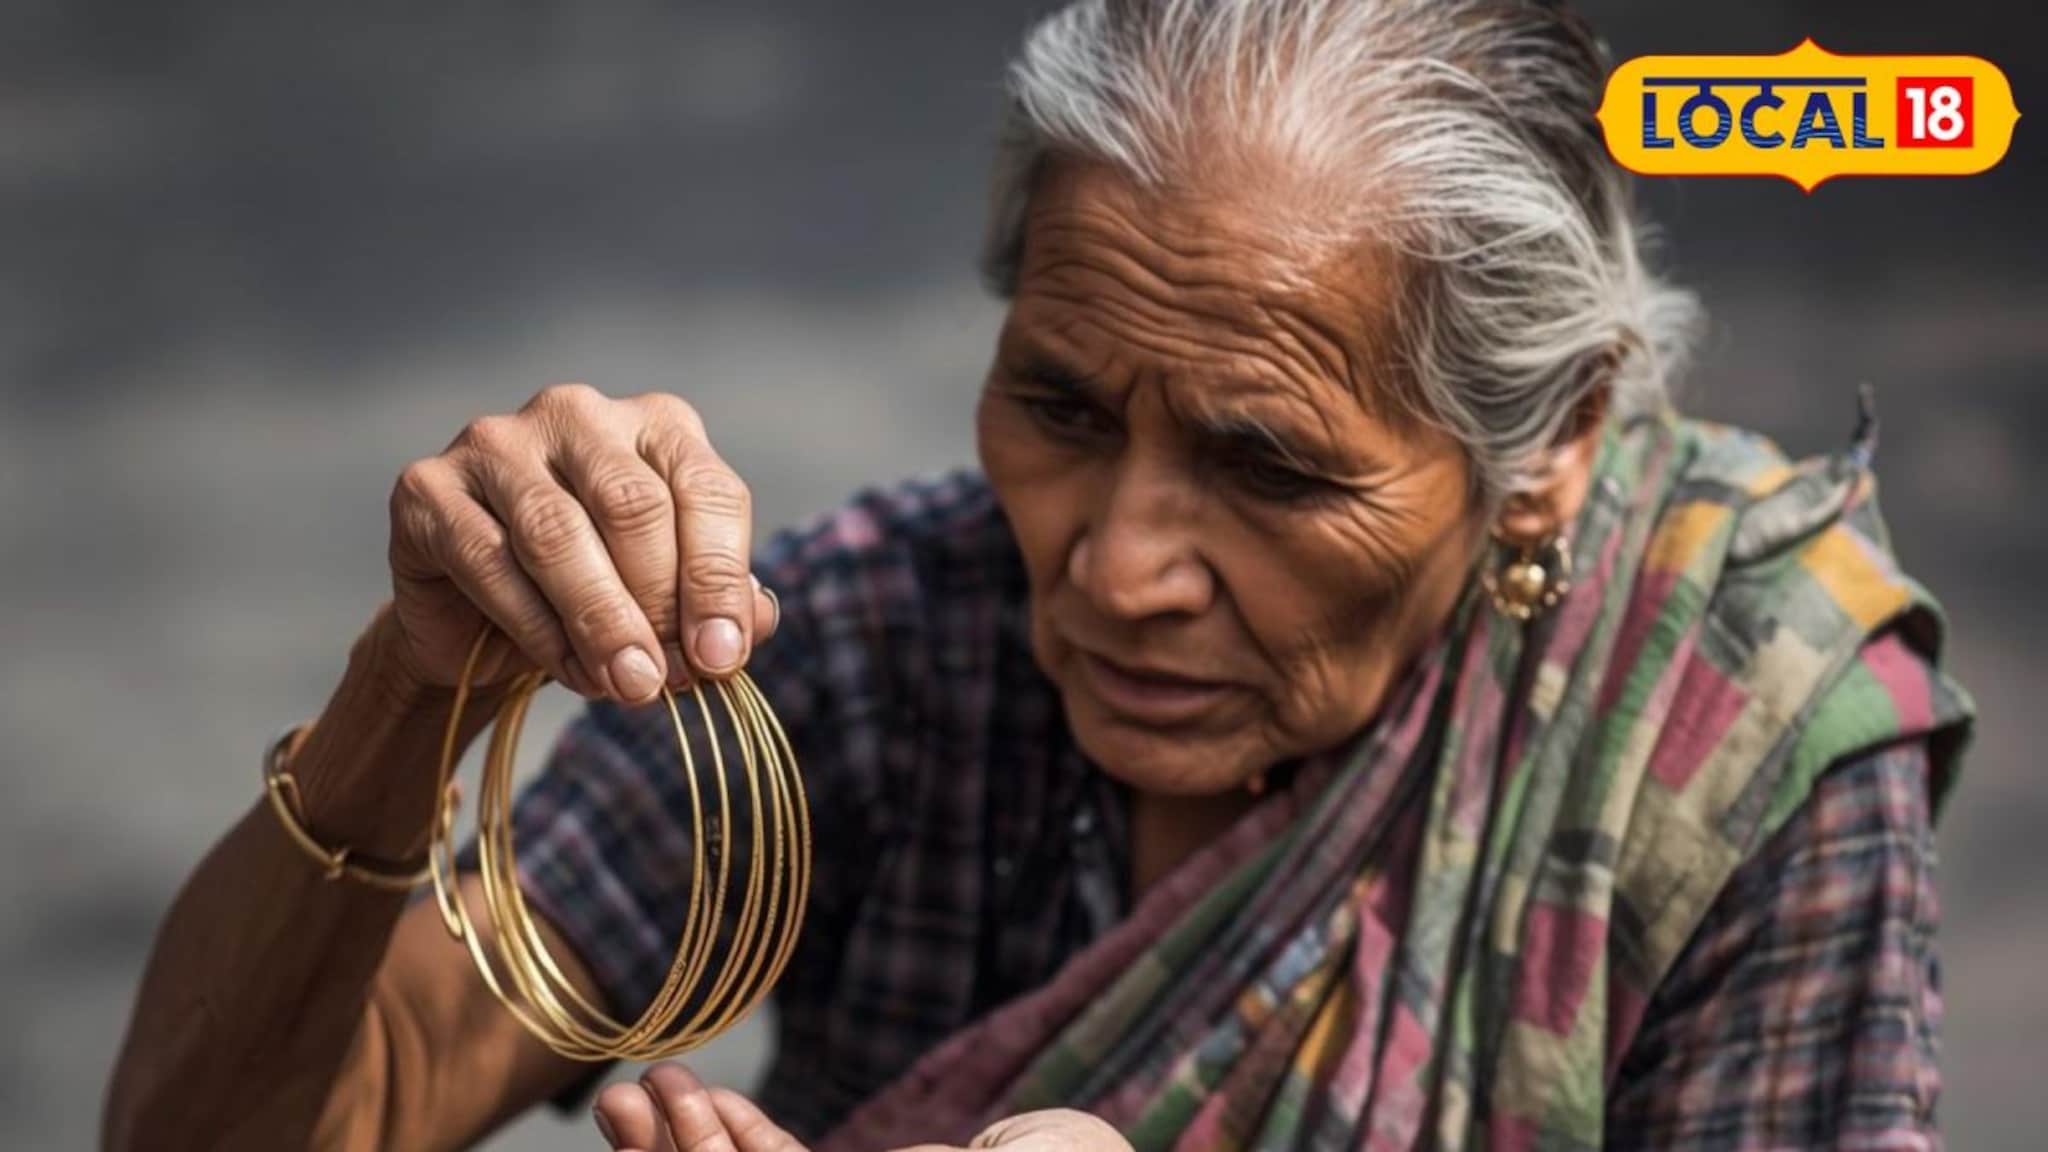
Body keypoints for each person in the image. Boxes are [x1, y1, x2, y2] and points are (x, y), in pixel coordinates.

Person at [104, 1, 1975, 1149]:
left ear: (1545, 444)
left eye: (1269, 464)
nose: (1119, 565)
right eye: (1060, 412)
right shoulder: (889, 646)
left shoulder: (1732, 757)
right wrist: (409, 686)